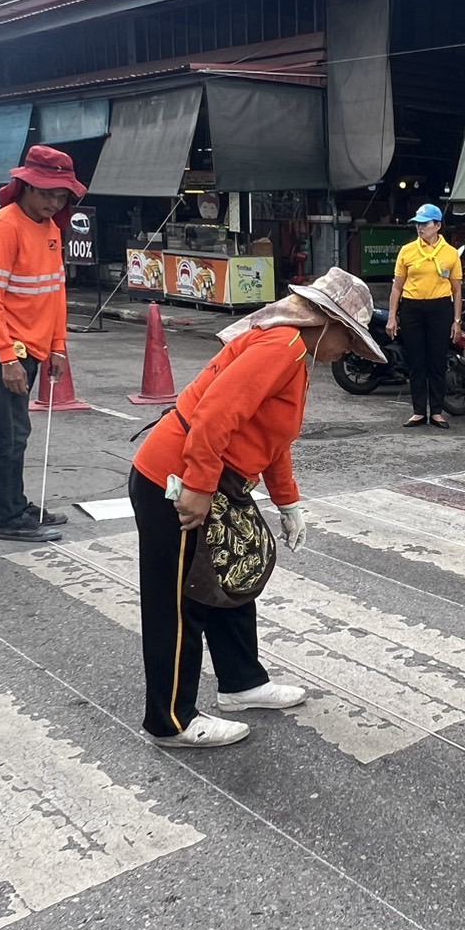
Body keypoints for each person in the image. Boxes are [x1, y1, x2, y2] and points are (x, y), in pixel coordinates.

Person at [131, 268, 386, 748]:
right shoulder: (282, 347)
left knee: (230, 578)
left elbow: (273, 438)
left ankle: (242, 682)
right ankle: (170, 720)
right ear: (327, 323)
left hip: (211, 480)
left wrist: (288, 502)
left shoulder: (294, 354)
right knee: (180, 603)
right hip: (176, 479)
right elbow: (215, 415)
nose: (348, 352)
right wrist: (199, 486)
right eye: (349, 340)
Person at [0, 145, 85, 544]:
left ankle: (18, 505)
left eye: (62, 196)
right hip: (6, 347)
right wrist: (7, 359)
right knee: (11, 434)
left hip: (34, 347)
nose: (55, 203)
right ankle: (9, 517)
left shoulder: (51, 228)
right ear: (27, 187)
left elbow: (56, 293)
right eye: (48, 194)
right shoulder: (5, 226)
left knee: (18, 432)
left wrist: (58, 347)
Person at [387, 204, 463, 429]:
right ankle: (419, 411)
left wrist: (457, 321)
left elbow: (457, 289)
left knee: (436, 361)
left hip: (440, 308)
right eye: (417, 224)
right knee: (416, 361)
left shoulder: (450, 253)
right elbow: (397, 287)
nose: (420, 228)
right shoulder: (407, 251)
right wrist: (392, 316)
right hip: (412, 308)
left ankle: (437, 412)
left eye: (425, 224)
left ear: (437, 225)